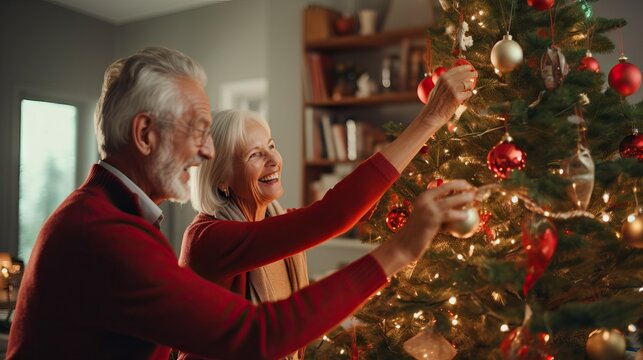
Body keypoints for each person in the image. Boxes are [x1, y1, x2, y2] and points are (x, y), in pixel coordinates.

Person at [7, 46, 476, 360]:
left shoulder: (113, 218)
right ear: (145, 134)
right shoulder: (106, 234)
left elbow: (337, 210)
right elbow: (259, 334)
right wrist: (399, 249)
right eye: (195, 130)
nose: (205, 151)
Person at [179, 65, 478, 359]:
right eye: (254, 154)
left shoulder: (272, 223)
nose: (273, 159)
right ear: (221, 178)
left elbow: (348, 210)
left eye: (271, 146)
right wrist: (431, 117)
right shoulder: (208, 239)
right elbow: (333, 214)